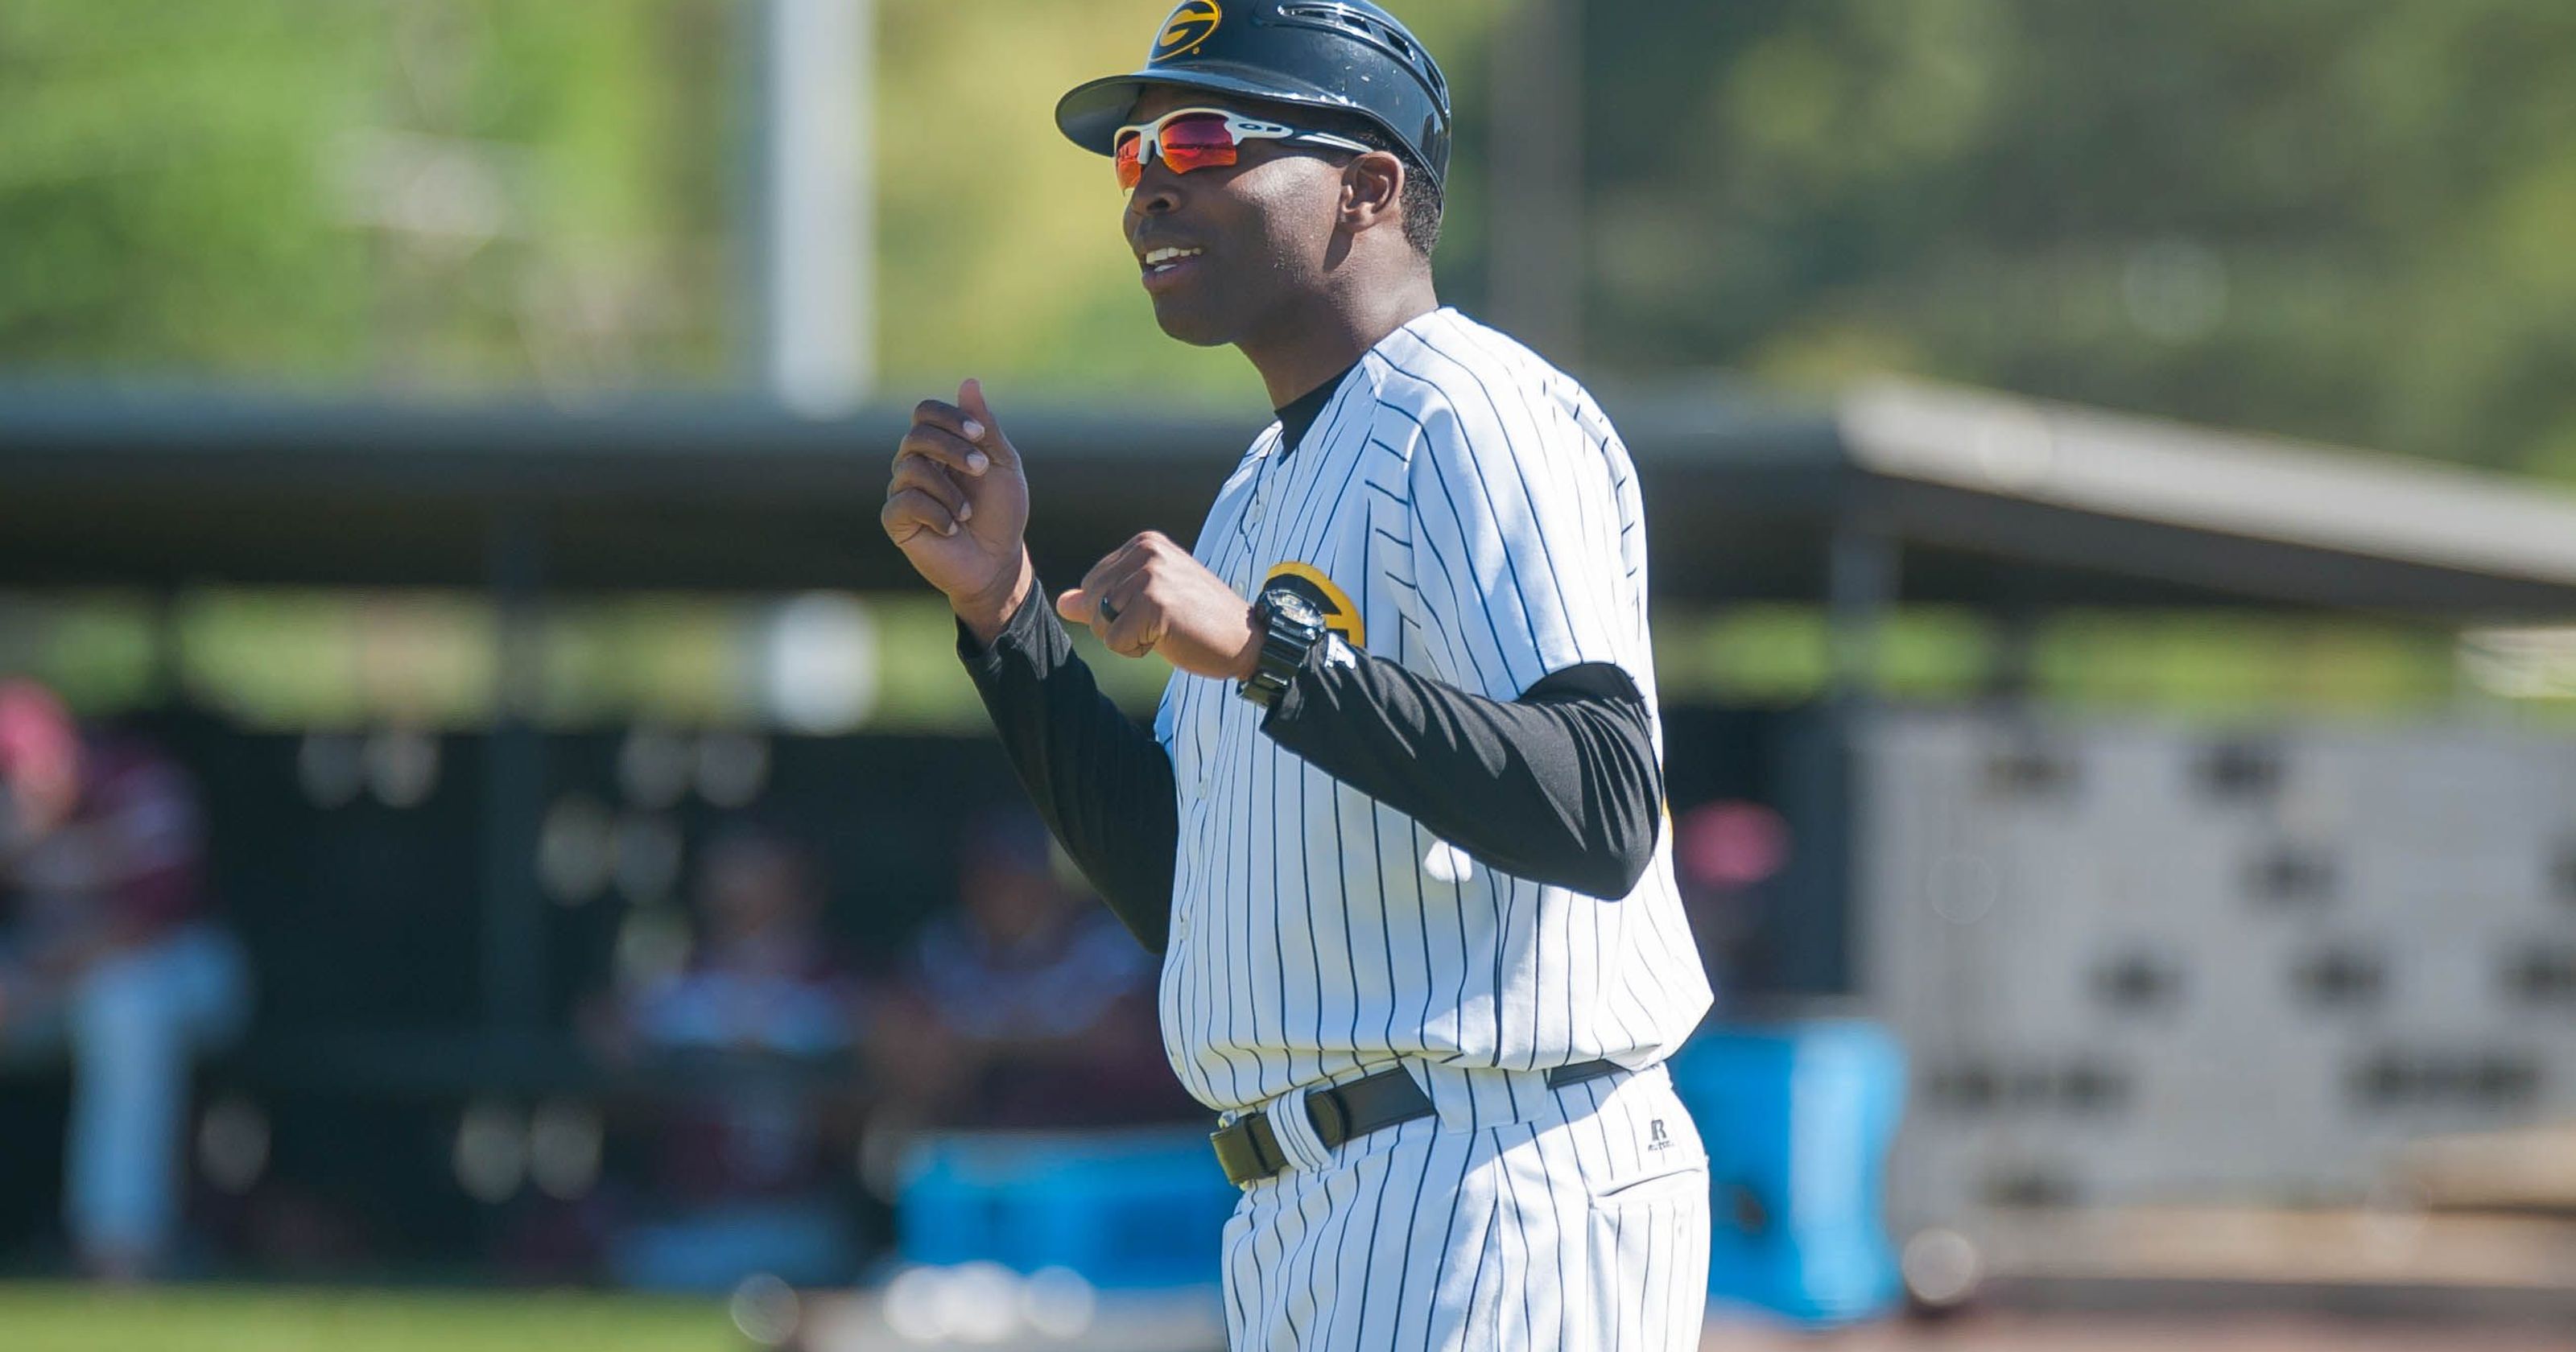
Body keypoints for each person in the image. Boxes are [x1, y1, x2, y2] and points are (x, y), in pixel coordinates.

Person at [880, 3, 1715, 1347]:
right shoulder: (1263, 490)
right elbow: (1188, 885)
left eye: (1206, 138)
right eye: (1136, 152)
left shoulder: (1471, 411)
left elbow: (1607, 805)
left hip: (1493, 1173)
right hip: (1316, 1203)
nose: (1155, 178)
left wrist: (1273, 655)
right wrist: (1008, 613)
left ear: (1369, 189)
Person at [0, 680, 250, 1280]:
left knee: (123, 1003)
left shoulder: (140, 782)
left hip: (185, 971)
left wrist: (34, 979)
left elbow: (152, 920)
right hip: (45, 980)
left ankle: (119, 1245)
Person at [587, 822, 868, 1291]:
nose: (741, 900)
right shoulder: (672, 988)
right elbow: (617, 1107)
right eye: (729, 885)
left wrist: (778, 1064)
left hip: (800, 1221)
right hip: (692, 1219)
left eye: (759, 883)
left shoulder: (846, 990)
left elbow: (877, 1124)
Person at [871, 808, 1191, 1129]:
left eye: (1013, 876)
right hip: (979, 1135)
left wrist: (990, 1045)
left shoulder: (1105, 941)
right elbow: (897, 1034)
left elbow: (1122, 1041)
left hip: (1110, 1135)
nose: (997, 892)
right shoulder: (946, 947)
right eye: (986, 877)